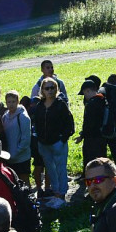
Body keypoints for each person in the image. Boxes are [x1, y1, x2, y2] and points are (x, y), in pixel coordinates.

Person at [31, 77, 75, 208]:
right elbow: (36, 123)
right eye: (47, 88)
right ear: (42, 90)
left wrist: (63, 139)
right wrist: (38, 138)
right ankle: (55, 194)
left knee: (60, 169)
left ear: (57, 89)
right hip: (44, 144)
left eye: (52, 88)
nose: (50, 90)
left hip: (58, 143)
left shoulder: (61, 104)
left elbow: (69, 124)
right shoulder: (39, 106)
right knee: (50, 170)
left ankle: (61, 195)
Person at [75, 78, 108, 174]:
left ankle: (89, 177)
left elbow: (88, 123)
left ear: (88, 90)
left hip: (91, 138)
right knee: (101, 159)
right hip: (102, 136)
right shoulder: (103, 100)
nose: (84, 96)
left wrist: (82, 135)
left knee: (90, 161)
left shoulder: (91, 104)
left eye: (84, 93)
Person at [2, 90, 32, 185]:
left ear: (18, 102)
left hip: (22, 158)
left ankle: (28, 199)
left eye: (13, 101)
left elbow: (26, 139)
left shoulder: (23, 117)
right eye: (9, 102)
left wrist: (16, 152)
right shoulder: (5, 117)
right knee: (13, 183)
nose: (11, 104)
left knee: (24, 181)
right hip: (9, 158)